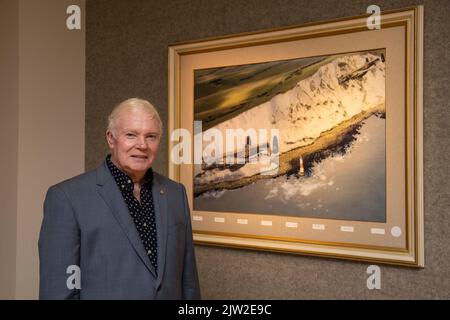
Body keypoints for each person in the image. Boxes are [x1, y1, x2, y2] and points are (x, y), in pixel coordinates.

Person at [38, 98, 200, 299]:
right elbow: (58, 293)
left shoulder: (176, 194)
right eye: (131, 135)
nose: (142, 145)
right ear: (111, 139)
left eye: (151, 136)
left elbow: (189, 283)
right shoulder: (67, 198)